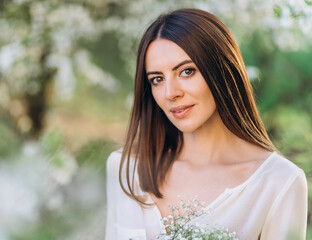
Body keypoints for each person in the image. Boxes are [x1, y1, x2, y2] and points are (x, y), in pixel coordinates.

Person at [105, 8, 308, 240]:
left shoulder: (279, 182)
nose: (170, 93)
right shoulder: (126, 169)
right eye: (157, 79)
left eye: (187, 71)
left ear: (222, 71)